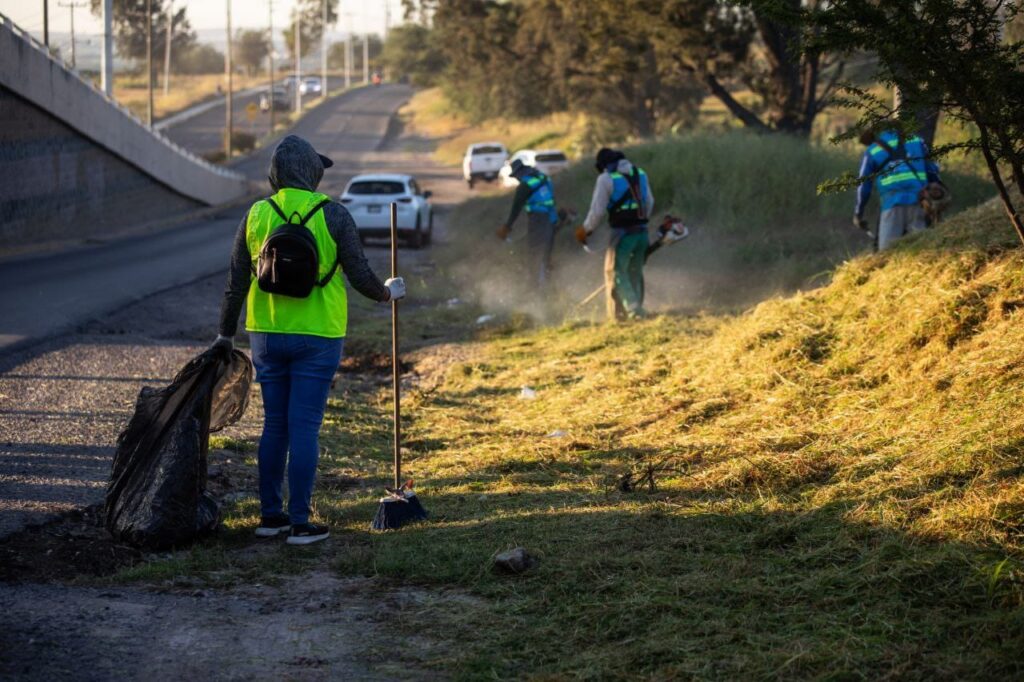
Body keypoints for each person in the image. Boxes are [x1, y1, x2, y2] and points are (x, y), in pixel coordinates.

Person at [214, 135, 405, 546]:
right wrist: (389, 293)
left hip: (266, 334)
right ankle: (300, 522)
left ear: (275, 173)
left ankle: (270, 517)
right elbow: (360, 274)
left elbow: (235, 283)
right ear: (311, 172)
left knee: (274, 427)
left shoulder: (257, 214)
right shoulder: (332, 214)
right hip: (319, 336)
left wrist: (224, 335)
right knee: (304, 428)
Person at [577, 148, 655, 321]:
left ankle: (634, 312)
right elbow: (650, 202)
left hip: (622, 235)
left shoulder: (606, 179)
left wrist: (586, 230)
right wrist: (640, 222)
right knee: (635, 271)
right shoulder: (640, 173)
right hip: (642, 233)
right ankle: (634, 309)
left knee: (617, 272)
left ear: (604, 165)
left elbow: (597, 212)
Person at [854, 127, 941, 251]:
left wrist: (859, 213)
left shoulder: (872, 151)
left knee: (887, 253)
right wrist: (936, 192)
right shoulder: (917, 141)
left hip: (891, 205)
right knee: (921, 249)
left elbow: (863, 185)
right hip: (919, 202)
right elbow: (933, 170)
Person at [496, 158, 560, 291]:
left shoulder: (525, 185)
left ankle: (535, 288)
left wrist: (507, 227)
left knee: (534, 254)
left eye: (516, 176)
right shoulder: (544, 178)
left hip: (538, 220)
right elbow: (551, 199)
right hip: (551, 219)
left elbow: (516, 208)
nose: (517, 179)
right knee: (547, 253)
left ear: (519, 173)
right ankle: (550, 287)